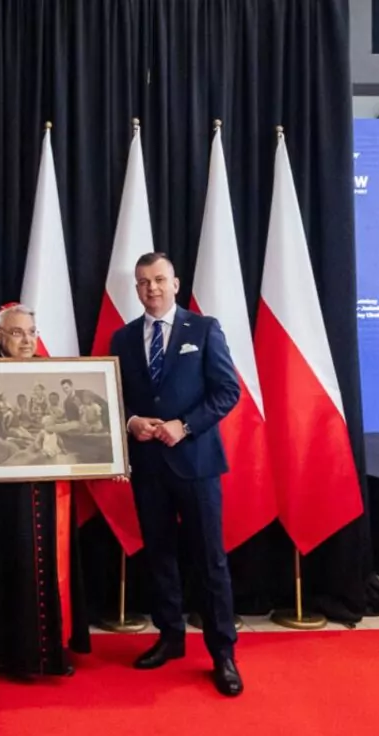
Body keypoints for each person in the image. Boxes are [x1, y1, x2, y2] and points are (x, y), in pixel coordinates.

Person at [111, 252, 244, 698]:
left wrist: (183, 426)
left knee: (210, 559)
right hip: (149, 467)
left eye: (159, 279)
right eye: (143, 282)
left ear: (175, 283)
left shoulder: (203, 329)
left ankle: (223, 652)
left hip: (197, 464)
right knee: (160, 556)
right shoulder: (123, 338)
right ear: (136, 288)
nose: (151, 288)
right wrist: (132, 423)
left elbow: (228, 391)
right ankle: (170, 636)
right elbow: (113, 398)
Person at [0, 304, 92, 680]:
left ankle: (50, 651)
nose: (27, 340)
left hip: (48, 487)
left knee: (50, 564)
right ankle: (7, 654)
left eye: (32, 332)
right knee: (7, 562)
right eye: (18, 332)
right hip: (0, 496)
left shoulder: (50, 375)